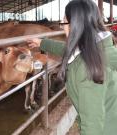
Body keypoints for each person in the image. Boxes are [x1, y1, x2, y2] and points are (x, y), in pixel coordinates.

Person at [27, 0, 117, 135]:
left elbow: (93, 124)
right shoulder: (100, 48)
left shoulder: (88, 69)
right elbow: (71, 50)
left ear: (76, 25)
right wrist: (42, 43)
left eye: (63, 22)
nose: (62, 27)